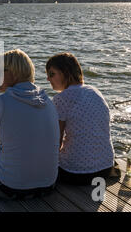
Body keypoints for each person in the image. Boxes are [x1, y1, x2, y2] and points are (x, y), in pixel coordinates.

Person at [0, 49, 60, 200]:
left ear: (12, 73)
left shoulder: (0, 103)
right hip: (48, 185)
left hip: (11, 187)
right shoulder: (48, 101)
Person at [46, 52, 119, 185]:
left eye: (51, 74)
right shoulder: (94, 91)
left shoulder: (60, 99)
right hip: (105, 167)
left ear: (65, 73)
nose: (47, 79)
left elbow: (56, 142)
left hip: (75, 172)